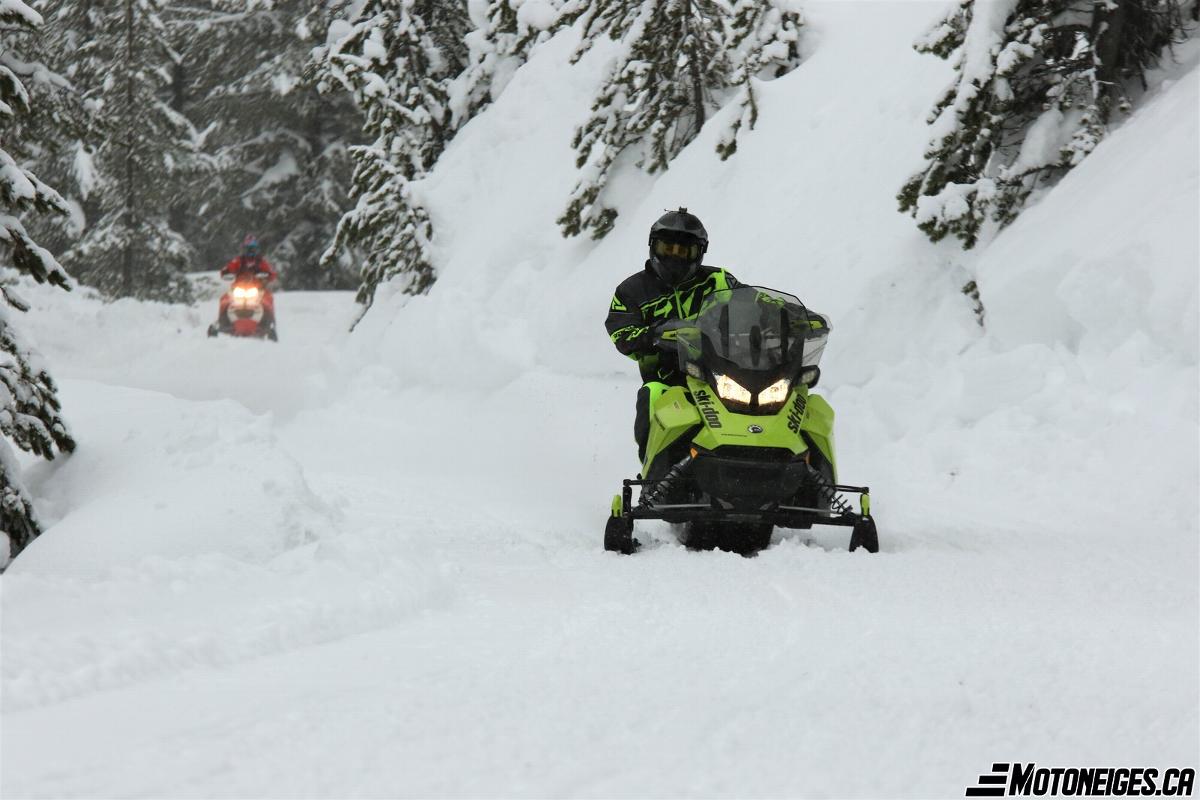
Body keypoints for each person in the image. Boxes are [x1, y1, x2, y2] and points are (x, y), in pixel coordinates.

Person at [604, 208, 739, 463]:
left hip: (724, 372)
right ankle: (654, 475)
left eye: (683, 251)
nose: (674, 257)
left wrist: (793, 316)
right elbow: (621, 331)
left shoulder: (719, 280)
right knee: (652, 394)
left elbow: (754, 301)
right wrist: (654, 336)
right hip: (670, 378)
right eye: (668, 249)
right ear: (653, 247)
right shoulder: (632, 290)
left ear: (699, 253)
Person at [213, 235, 278, 337]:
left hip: (257, 289)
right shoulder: (238, 261)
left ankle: (270, 324)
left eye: (252, 248)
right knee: (224, 299)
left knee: (268, 299)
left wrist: (268, 275)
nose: (250, 251)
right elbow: (227, 269)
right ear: (244, 249)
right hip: (238, 289)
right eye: (248, 248)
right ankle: (221, 323)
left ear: (256, 249)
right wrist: (226, 272)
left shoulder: (261, 262)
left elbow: (271, 272)